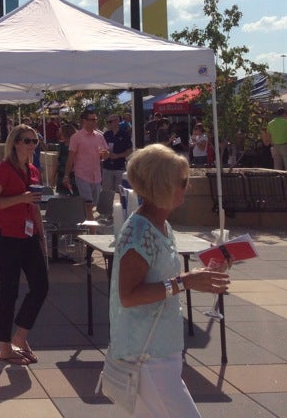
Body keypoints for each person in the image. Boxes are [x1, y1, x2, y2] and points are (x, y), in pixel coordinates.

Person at [108, 143, 230, 416]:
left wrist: (205, 271)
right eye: (183, 182)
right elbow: (128, 296)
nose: (188, 187)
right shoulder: (140, 230)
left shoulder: (159, 224)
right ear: (163, 185)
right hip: (146, 352)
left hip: (158, 346)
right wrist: (185, 281)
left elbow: (165, 275)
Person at [0, 124, 48, 365]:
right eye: (27, 140)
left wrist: (41, 237)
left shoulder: (33, 170)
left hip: (28, 234)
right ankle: (4, 348)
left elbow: (35, 206)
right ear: (16, 142)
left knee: (41, 286)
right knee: (9, 290)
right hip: (6, 236)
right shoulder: (4, 170)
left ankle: (20, 337)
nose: (32, 145)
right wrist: (20, 198)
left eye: (35, 140)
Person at [64, 109, 110, 226]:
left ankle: (82, 224)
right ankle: (92, 232)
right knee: (88, 203)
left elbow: (106, 153)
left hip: (96, 176)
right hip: (82, 174)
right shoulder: (76, 137)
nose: (94, 122)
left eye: (95, 119)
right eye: (92, 119)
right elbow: (71, 157)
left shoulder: (99, 136)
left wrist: (105, 154)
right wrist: (66, 175)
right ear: (84, 121)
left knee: (92, 204)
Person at [102, 114, 133, 192]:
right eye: (107, 122)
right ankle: (108, 204)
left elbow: (129, 150)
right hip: (107, 167)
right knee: (106, 192)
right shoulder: (106, 134)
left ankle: (121, 204)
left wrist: (117, 156)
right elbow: (101, 148)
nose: (108, 124)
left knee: (120, 191)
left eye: (110, 122)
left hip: (119, 167)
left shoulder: (124, 135)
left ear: (116, 122)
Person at [56, 122, 78, 195]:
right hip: (65, 173)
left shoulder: (63, 145)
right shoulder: (62, 145)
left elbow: (58, 161)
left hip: (71, 173)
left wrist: (53, 176)